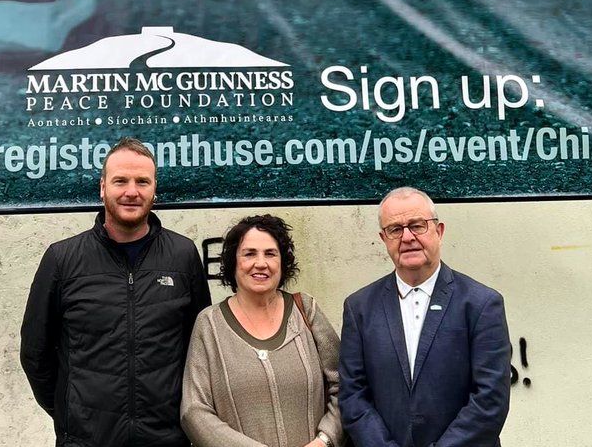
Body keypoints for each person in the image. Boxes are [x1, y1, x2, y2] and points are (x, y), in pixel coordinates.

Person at [20, 137, 210, 447]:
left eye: (142, 182)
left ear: (154, 189)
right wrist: (71, 416)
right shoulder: (62, 259)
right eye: (120, 181)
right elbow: (35, 353)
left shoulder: (183, 255)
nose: (131, 191)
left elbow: (199, 349)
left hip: (166, 438)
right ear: (102, 187)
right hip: (86, 440)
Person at [339, 187, 511, 447]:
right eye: (395, 229)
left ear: (439, 231)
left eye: (417, 225)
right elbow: (353, 397)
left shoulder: (482, 304)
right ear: (383, 238)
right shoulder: (359, 308)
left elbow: (490, 401)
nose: (407, 237)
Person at [181, 214, 343, 447]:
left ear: (282, 262)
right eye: (249, 254)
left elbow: (344, 385)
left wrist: (324, 440)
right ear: (233, 262)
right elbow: (194, 410)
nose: (261, 263)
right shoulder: (209, 324)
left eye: (270, 254)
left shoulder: (306, 310)